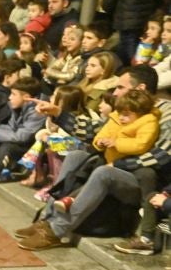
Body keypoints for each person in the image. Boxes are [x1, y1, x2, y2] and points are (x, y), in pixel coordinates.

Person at [17, 89, 160, 250]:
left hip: (137, 176)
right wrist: (98, 141)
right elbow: (95, 131)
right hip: (111, 161)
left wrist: (117, 152)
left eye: (120, 87)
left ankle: (57, 231)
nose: (115, 91)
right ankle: (47, 219)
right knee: (75, 155)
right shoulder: (118, 117)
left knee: (103, 173)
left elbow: (156, 153)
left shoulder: (152, 121)